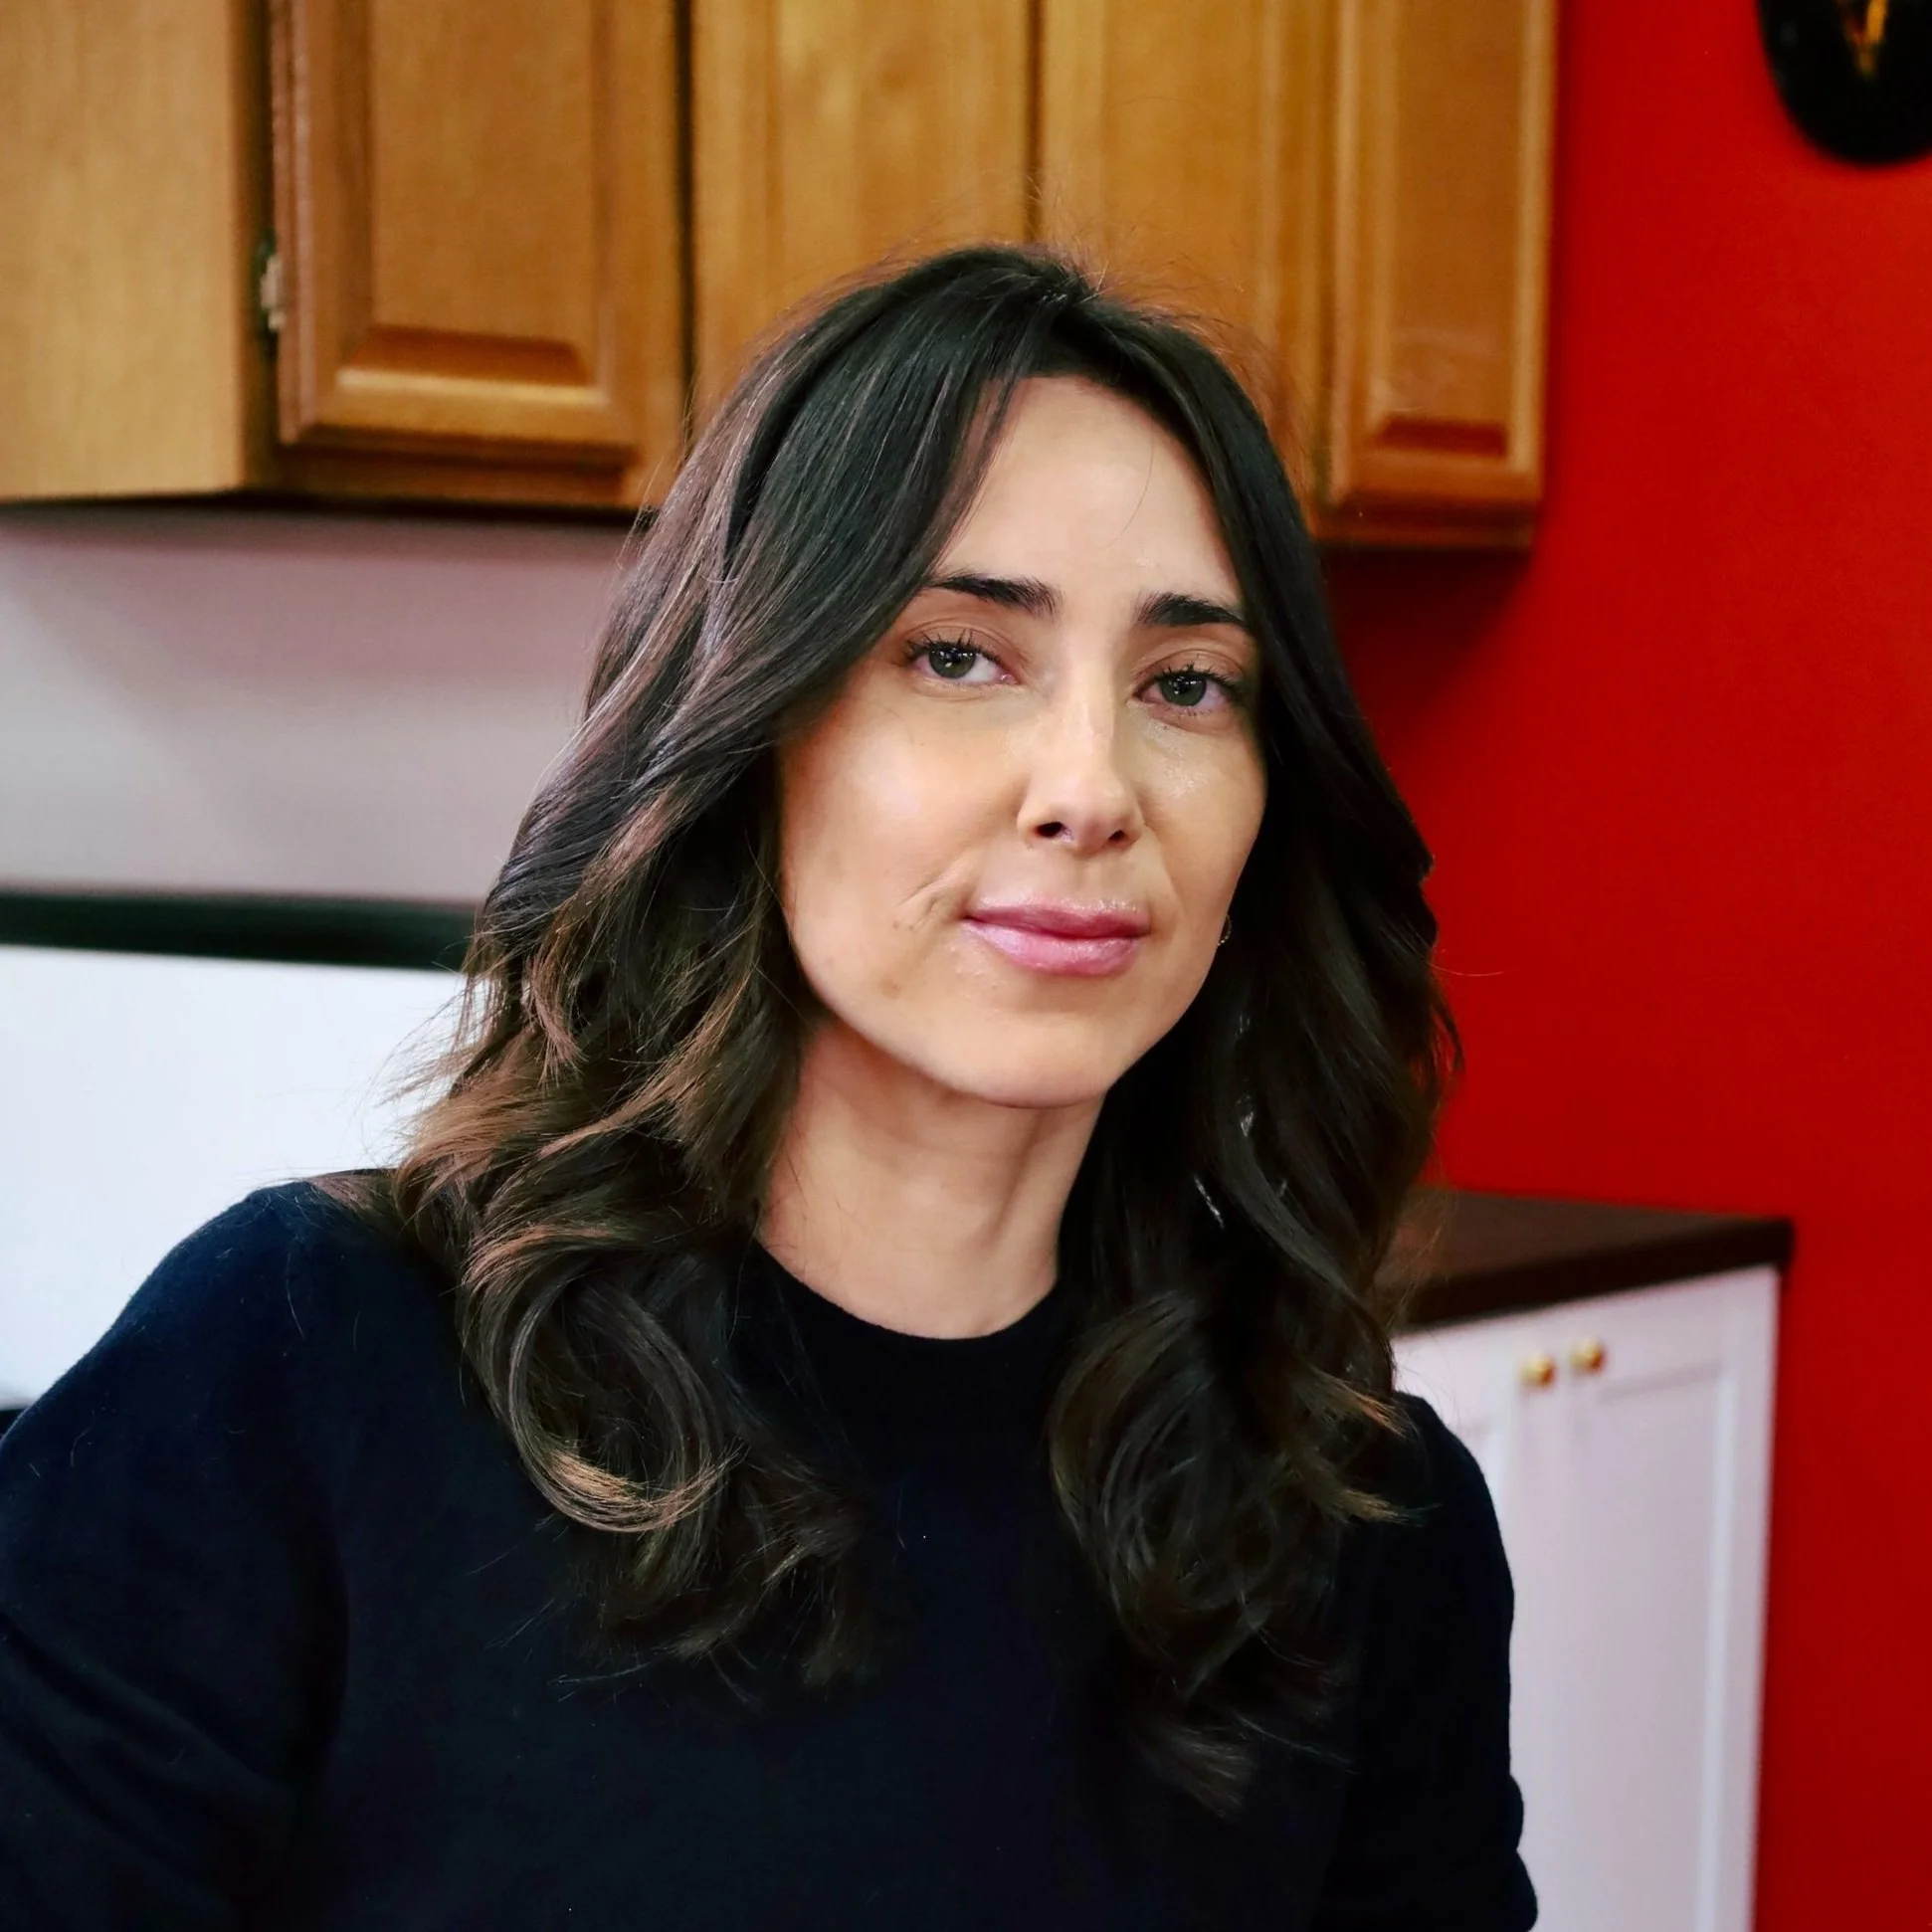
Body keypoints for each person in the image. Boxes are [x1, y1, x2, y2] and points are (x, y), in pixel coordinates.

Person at [0, 246, 1536, 1930]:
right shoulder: (288, 1377)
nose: (1091, 787)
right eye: (958, 654)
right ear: (748, 731)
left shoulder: (1363, 1523)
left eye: (1185, 684)